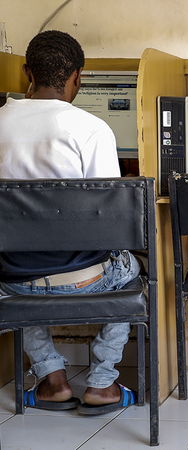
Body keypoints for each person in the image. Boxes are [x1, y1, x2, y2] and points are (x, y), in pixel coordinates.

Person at [0, 30, 140, 415]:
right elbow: (111, 217)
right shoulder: (91, 129)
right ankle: (103, 382)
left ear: (27, 71)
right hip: (84, 277)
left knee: (18, 280)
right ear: (78, 76)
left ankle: (52, 382)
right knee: (131, 269)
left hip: (13, 278)